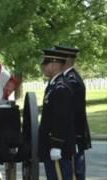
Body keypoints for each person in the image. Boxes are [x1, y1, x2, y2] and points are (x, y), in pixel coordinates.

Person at [38, 49, 76, 180]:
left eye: (46, 63)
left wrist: (56, 145)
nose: (43, 66)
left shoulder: (61, 88)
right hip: (51, 145)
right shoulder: (53, 85)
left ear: (54, 65)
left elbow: (61, 118)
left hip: (59, 147)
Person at [55, 45, 92, 180]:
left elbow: (72, 112)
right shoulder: (68, 78)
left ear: (64, 60)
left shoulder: (71, 80)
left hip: (74, 134)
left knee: (73, 172)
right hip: (72, 133)